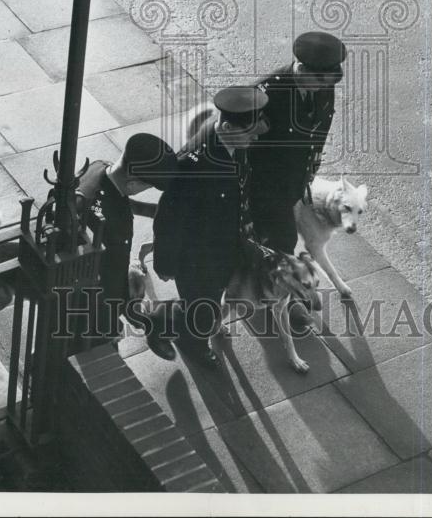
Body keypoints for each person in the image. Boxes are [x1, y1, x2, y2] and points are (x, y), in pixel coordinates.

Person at [146, 86, 270, 366]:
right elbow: (169, 217)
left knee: (208, 300)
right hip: (195, 256)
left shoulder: (232, 145)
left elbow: (237, 190)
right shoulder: (193, 164)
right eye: (249, 133)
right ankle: (194, 346)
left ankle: (171, 317)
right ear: (226, 126)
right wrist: (165, 263)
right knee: (203, 307)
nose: (253, 138)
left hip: (223, 245)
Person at [248, 31, 347, 254]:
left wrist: (308, 172)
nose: (324, 88)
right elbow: (238, 147)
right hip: (265, 190)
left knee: (276, 246)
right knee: (281, 245)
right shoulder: (264, 95)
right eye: (320, 81)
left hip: (294, 183)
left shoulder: (322, 84)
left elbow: (318, 129)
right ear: (301, 69)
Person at [76, 132, 178, 340]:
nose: (145, 190)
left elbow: (120, 201)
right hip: (92, 300)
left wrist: (153, 210)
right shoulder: (107, 222)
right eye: (147, 186)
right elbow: (104, 276)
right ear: (132, 183)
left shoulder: (99, 167)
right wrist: (113, 318)